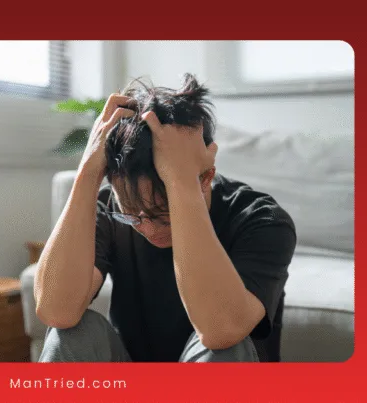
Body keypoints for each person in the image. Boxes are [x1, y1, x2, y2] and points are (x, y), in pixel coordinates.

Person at [33, 73, 297, 363]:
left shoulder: (262, 219)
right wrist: (88, 172)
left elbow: (221, 331)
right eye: (131, 216)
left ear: (206, 177)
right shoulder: (109, 207)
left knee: (226, 346)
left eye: (162, 215)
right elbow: (56, 311)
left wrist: (181, 182)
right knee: (70, 332)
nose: (147, 228)